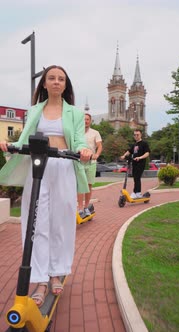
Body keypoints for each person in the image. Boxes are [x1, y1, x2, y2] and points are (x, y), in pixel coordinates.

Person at [0, 65, 92, 307]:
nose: (56, 82)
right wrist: (9, 145)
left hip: (63, 167)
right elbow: (23, 139)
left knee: (61, 223)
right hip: (38, 167)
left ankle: (56, 272)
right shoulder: (34, 110)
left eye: (61, 79)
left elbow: (81, 140)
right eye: (51, 78)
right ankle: (40, 279)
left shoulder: (73, 112)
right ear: (44, 83)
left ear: (65, 84)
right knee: (35, 222)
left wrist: (84, 150)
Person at [77, 113, 102, 218]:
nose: (85, 121)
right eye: (84, 119)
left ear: (90, 121)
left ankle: (86, 207)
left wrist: (97, 154)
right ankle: (80, 208)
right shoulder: (77, 133)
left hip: (91, 162)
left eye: (87, 119)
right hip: (80, 161)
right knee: (80, 185)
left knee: (88, 185)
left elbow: (99, 146)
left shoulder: (95, 133)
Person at [120, 129, 150, 198]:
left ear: (140, 135)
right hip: (134, 163)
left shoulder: (144, 143)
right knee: (135, 178)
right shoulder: (134, 144)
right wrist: (124, 155)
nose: (136, 136)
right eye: (135, 135)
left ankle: (137, 192)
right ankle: (137, 193)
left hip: (141, 163)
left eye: (137, 135)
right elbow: (129, 151)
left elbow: (147, 153)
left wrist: (140, 157)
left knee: (137, 177)